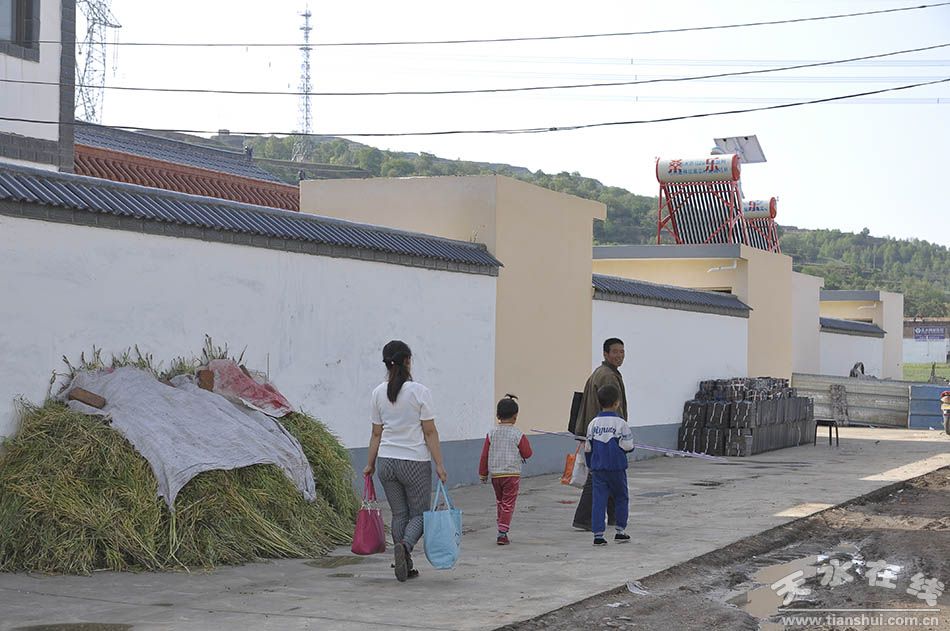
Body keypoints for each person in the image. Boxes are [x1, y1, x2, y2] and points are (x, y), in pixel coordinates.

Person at [364, 340, 448, 582]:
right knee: (420, 515)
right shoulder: (420, 392)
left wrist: (370, 464)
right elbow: (430, 432)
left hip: (386, 462)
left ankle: (405, 564)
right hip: (414, 462)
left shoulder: (377, 393)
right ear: (408, 361)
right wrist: (440, 465)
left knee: (400, 514)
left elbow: (376, 433)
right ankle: (405, 546)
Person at [571, 337, 628, 530]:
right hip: (606, 435)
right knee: (598, 475)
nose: (619, 356)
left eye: (622, 352)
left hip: (595, 431)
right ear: (605, 354)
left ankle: (613, 516)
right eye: (615, 352)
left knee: (609, 472)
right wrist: (619, 432)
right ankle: (584, 518)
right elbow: (613, 408)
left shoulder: (602, 372)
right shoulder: (608, 377)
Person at [478, 394, 533, 545]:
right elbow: (528, 453)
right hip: (512, 474)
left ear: (497, 415)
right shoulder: (517, 434)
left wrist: (483, 473)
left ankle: (501, 526)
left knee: (500, 502)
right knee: (509, 503)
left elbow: (484, 455)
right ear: (515, 416)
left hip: (496, 475)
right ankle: (502, 533)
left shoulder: (491, 433)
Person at [584, 384, 634, 546]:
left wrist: (590, 465)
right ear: (617, 403)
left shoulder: (593, 424)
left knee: (599, 500)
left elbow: (588, 448)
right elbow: (628, 446)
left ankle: (598, 535)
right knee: (621, 497)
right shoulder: (621, 423)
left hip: (598, 468)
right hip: (617, 468)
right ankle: (620, 531)